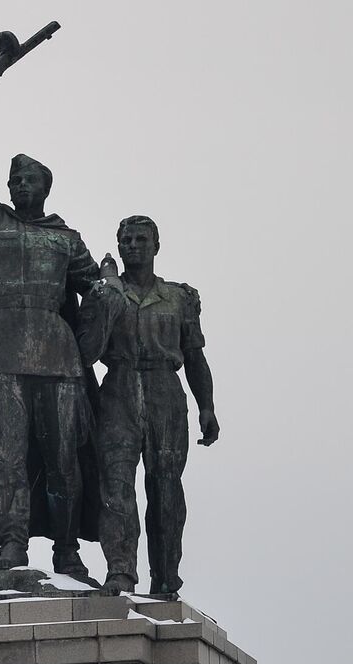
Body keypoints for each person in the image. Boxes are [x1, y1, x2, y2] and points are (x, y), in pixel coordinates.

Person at [0, 65, 102, 579]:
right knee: (10, 460)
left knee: (64, 461)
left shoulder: (66, 238)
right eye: (14, 178)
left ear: (46, 186)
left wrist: (92, 338)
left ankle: (66, 549)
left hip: (57, 358)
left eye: (29, 178)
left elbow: (100, 296)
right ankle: (12, 544)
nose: (19, 184)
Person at [81, 215, 220, 599]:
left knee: (166, 488)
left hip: (166, 392)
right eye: (126, 240)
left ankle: (166, 578)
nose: (133, 246)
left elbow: (194, 355)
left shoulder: (179, 297)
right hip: (119, 389)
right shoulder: (105, 293)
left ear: (156, 245)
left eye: (142, 239)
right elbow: (87, 351)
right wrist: (104, 294)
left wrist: (206, 406)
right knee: (116, 486)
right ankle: (121, 572)